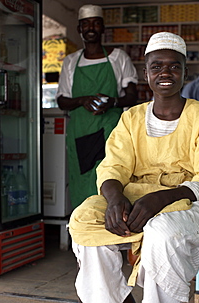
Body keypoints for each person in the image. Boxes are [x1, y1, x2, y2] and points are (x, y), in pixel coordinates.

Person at [65, 32, 199, 303]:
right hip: (137, 198)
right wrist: (114, 200)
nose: (165, 73)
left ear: (186, 72)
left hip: (192, 202)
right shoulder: (131, 118)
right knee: (83, 222)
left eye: (174, 66)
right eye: (157, 66)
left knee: (162, 232)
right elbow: (112, 167)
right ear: (146, 73)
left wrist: (162, 198)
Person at [56, 4, 138, 209]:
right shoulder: (70, 62)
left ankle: (114, 224)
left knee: (112, 176)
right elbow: (62, 100)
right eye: (85, 24)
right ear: (79, 30)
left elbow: (132, 96)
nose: (90, 28)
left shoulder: (119, 57)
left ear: (102, 28)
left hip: (111, 130)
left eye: (95, 23)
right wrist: (83, 100)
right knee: (83, 180)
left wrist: (113, 102)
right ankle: (82, 230)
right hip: (81, 132)